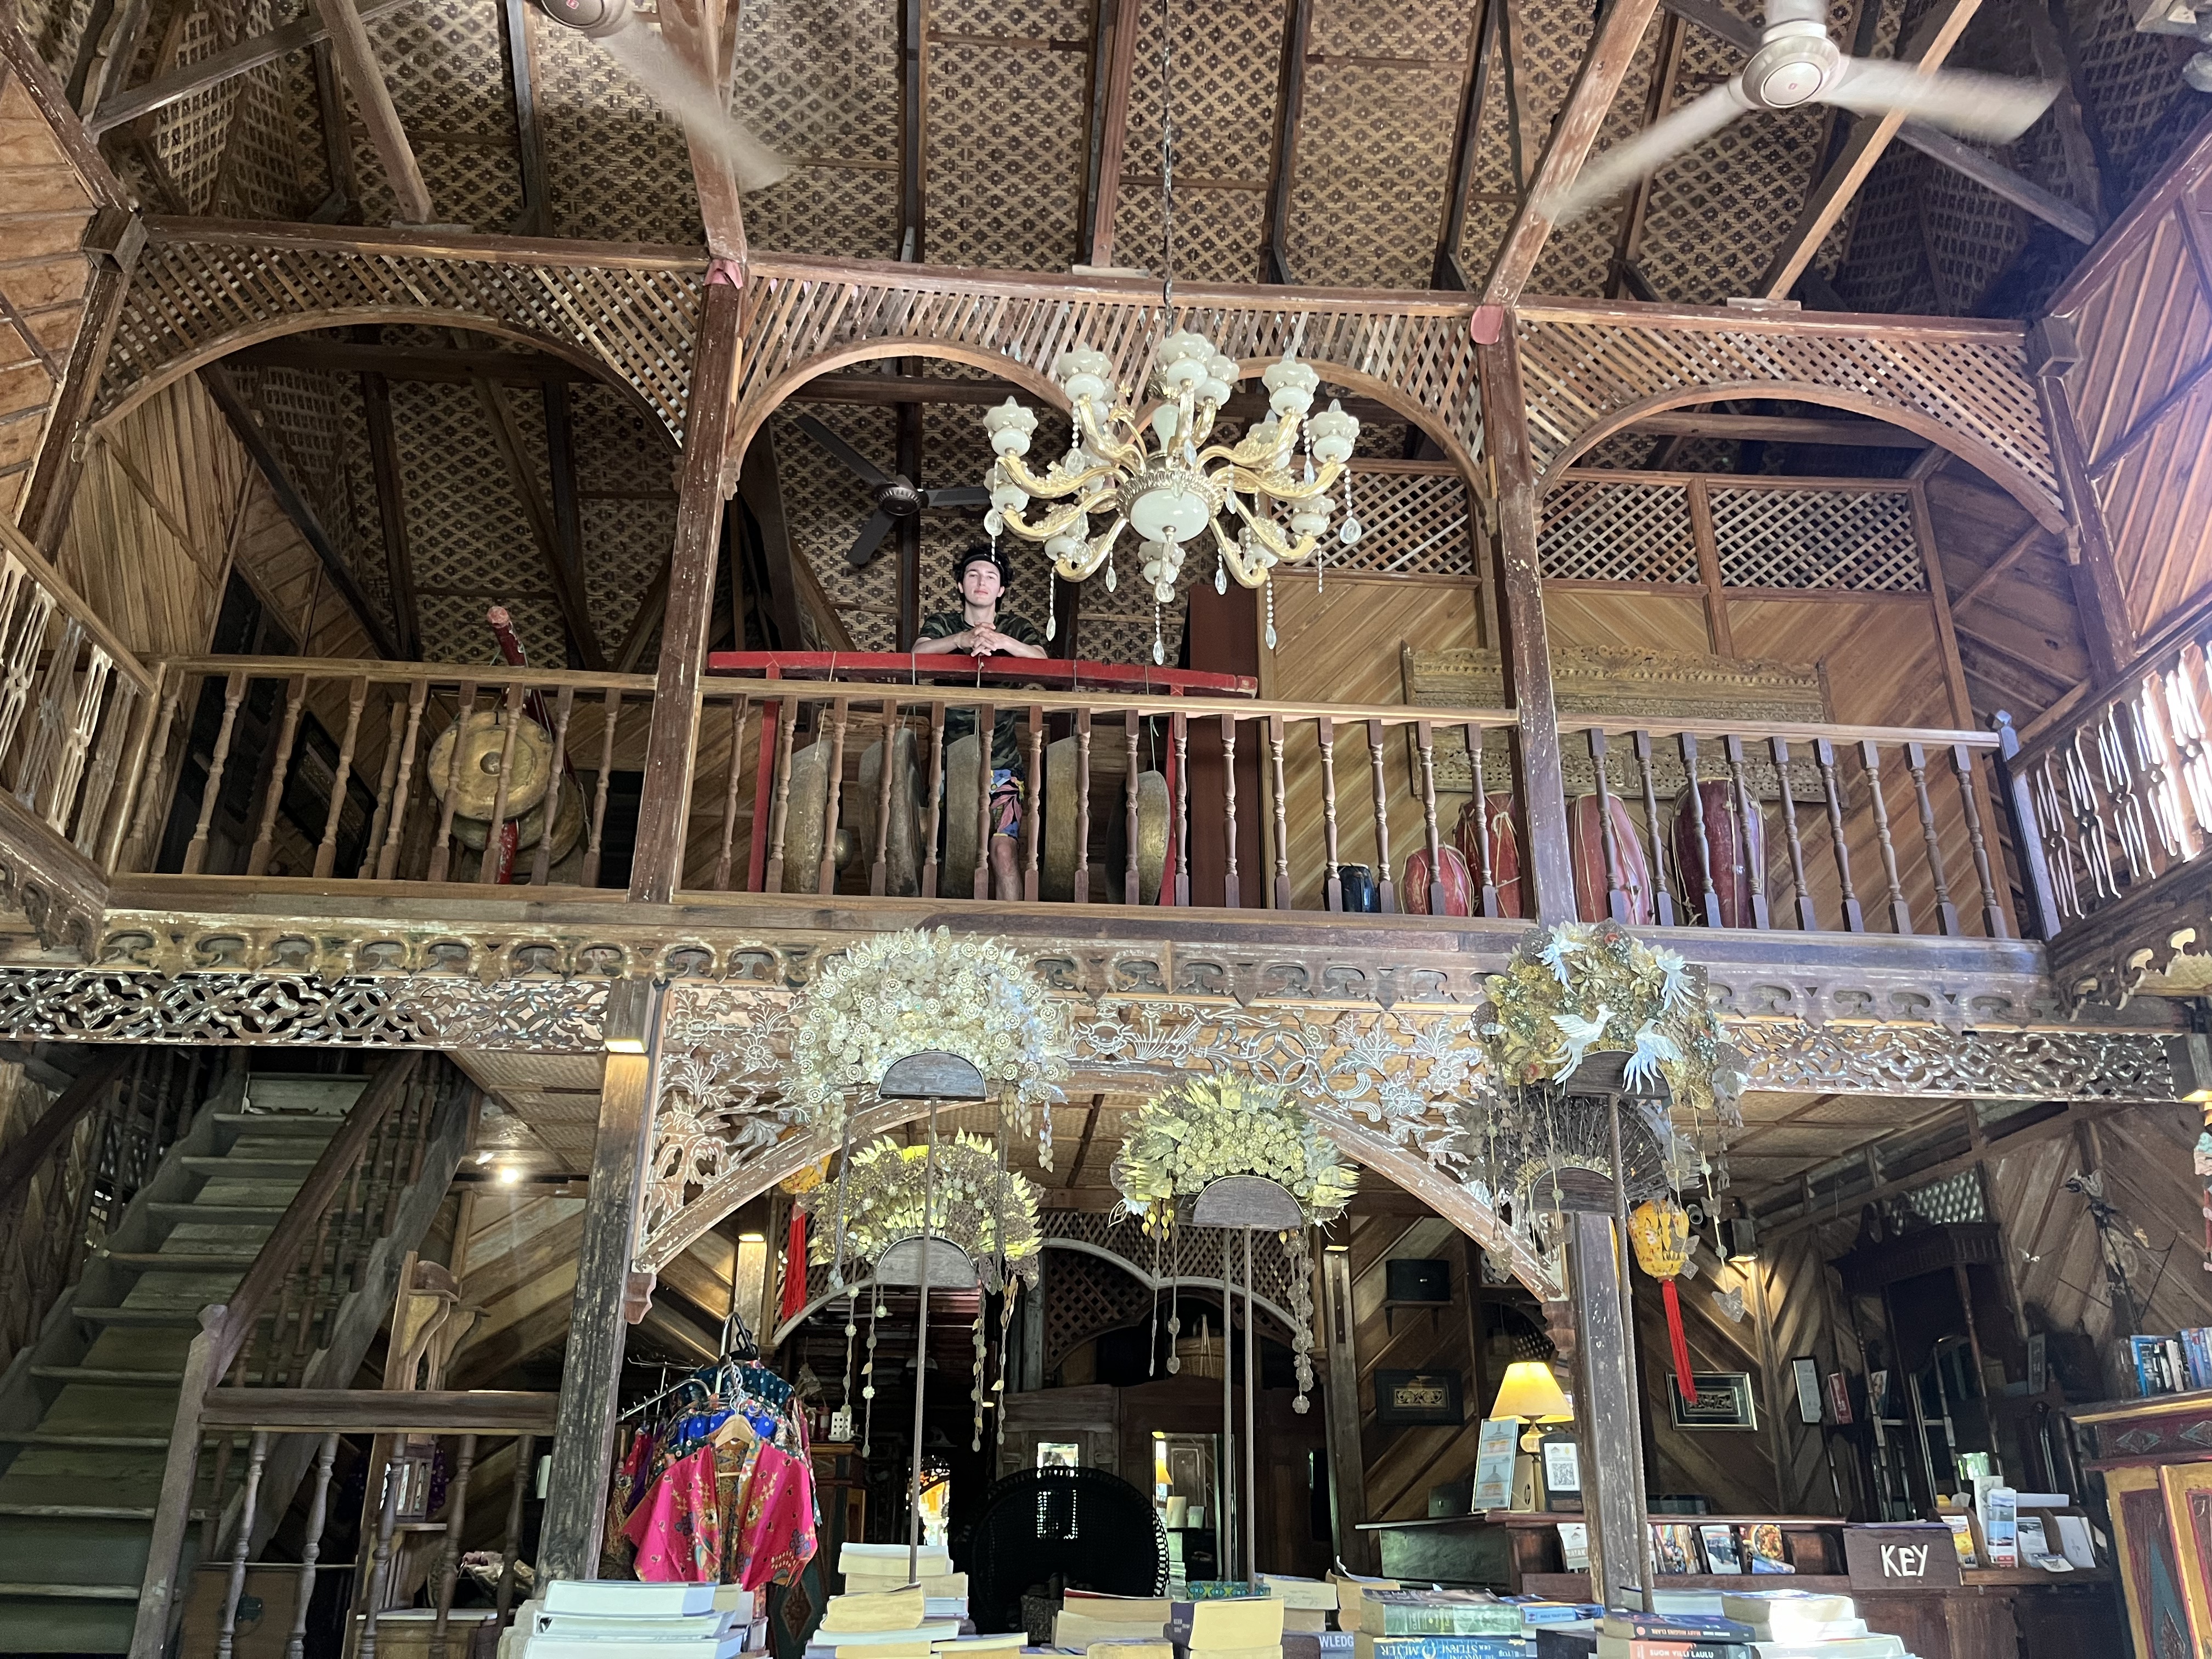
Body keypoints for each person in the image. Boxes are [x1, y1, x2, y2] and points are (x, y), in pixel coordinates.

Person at [913, 545, 1048, 899]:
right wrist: (961, 640)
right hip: (948, 764)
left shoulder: (1016, 627)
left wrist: (1001, 641)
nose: (981, 582)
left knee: (1003, 851)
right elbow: (917, 655)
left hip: (1003, 764)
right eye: (973, 575)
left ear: (1001, 589)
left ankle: (1013, 928)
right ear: (961, 585)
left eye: (990, 576)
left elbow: (1043, 663)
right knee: (948, 849)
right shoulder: (943, 624)